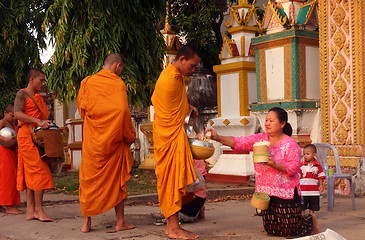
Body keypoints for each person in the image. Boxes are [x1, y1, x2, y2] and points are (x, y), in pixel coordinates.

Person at [206, 107, 320, 237]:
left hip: (285, 190)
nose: (267, 123)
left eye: (271, 120)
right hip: (265, 192)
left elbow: (293, 168)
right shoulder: (260, 139)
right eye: (266, 120)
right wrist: (218, 137)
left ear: (282, 124)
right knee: (272, 230)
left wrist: (275, 165)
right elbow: (239, 142)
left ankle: (310, 220)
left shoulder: (291, 144)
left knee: (290, 231)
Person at [77, 53, 136, 233]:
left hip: (93, 142)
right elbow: (122, 112)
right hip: (113, 141)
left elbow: (82, 110)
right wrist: (129, 136)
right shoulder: (118, 84)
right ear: (117, 66)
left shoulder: (87, 82)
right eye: (121, 69)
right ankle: (120, 222)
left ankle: (86, 223)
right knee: (117, 181)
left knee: (88, 182)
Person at [151, 45, 201, 240]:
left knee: (172, 180)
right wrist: (186, 112)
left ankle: (172, 226)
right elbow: (174, 114)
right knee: (172, 181)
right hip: (169, 137)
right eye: (192, 65)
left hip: (169, 135)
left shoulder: (173, 75)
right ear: (181, 60)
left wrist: (188, 107)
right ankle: (173, 228)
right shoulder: (171, 79)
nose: (193, 70)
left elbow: (170, 103)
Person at [14, 69, 54, 222]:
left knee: (32, 173)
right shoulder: (22, 94)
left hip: (38, 136)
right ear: (31, 79)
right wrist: (37, 121)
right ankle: (39, 209)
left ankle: (30, 210)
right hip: (27, 135)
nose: (43, 84)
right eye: (41, 80)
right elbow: (17, 114)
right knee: (40, 171)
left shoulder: (39, 97)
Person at [0, 103, 23, 215]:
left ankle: (1, 204)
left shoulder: (13, 125)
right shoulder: (2, 122)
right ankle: (9, 206)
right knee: (8, 179)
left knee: (8, 178)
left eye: (15, 116)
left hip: (12, 153)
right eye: (12, 115)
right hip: (4, 153)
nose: (14, 118)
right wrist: (5, 140)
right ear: (5, 113)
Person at [300, 144, 325, 216]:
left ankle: (311, 219)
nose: (305, 156)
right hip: (303, 192)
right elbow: (297, 177)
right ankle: (302, 219)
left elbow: (320, 176)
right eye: (304, 154)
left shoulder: (317, 166)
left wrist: (321, 185)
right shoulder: (301, 165)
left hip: (314, 192)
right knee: (302, 208)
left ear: (314, 154)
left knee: (312, 208)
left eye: (308, 154)